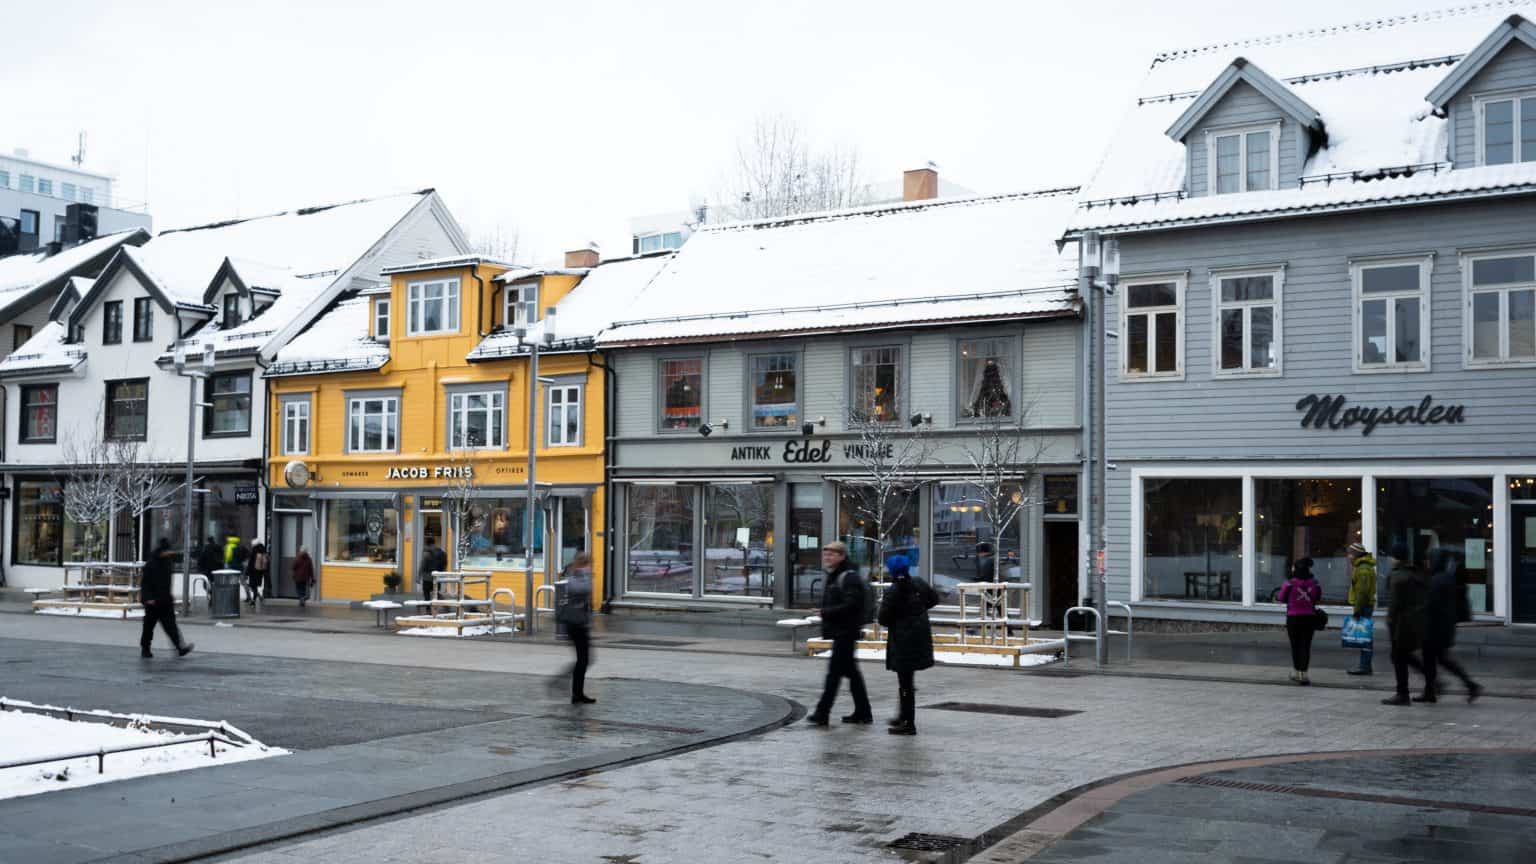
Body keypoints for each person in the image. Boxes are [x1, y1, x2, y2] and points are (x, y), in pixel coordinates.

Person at [808, 541, 872, 726]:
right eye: (826, 554)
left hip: (846, 631)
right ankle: (863, 712)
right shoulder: (836, 575)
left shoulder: (848, 577)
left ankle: (822, 712)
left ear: (842, 556)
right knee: (851, 673)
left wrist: (826, 612)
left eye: (832, 554)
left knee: (834, 674)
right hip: (842, 632)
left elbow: (852, 604)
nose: (827, 558)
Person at [877, 555, 938, 736]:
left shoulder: (894, 590)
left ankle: (908, 723)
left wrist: (900, 619)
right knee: (907, 680)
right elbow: (934, 599)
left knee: (905, 682)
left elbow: (883, 619)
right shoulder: (918, 583)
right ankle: (902, 716)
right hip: (919, 638)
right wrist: (918, 612)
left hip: (903, 641)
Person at [1419, 548, 1483, 704]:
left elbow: (1431, 606)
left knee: (1435, 659)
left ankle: (1468, 685)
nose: (1427, 563)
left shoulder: (1437, 580)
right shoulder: (1446, 578)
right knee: (1438, 659)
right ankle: (1433, 690)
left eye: (1429, 560)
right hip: (1444, 627)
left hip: (1436, 628)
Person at [1382, 544, 1429, 706]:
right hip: (1415, 622)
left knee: (1399, 658)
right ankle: (1431, 681)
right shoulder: (1416, 573)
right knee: (1405, 656)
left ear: (1395, 558)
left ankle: (1402, 693)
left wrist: (1390, 621)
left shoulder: (1397, 576)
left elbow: (1393, 604)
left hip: (1400, 624)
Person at [140, 538, 193, 659]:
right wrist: (148, 598)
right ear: (162, 551)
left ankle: (180, 648)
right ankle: (145, 649)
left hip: (165, 600)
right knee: (148, 627)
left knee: (171, 626)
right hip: (152, 602)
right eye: (167, 551)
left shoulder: (167, 562)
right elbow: (145, 583)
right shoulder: (151, 564)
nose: (170, 553)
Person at [557, 552, 597, 705]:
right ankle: (565, 685)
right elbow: (581, 589)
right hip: (574, 625)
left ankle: (577, 693)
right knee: (584, 659)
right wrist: (586, 573)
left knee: (584, 659)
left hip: (579, 624)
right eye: (589, 564)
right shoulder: (575, 576)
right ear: (584, 564)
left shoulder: (580, 575)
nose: (591, 567)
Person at [1275, 557, 1322, 685]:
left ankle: (1296, 673)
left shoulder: (1289, 583)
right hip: (1309, 618)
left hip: (1293, 618)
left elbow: (1281, 598)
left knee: (1295, 646)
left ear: (1296, 568)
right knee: (1306, 646)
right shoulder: (1315, 583)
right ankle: (1304, 674)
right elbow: (1317, 598)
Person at [1345, 543, 1377, 676]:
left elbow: (1362, 593)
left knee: (1364, 638)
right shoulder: (1364, 567)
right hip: (1365, 606)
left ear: (1356, 554)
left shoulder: (1363, 569)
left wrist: (1357, 610)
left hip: (1363, 607)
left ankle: (1364, 666)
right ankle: (1365, 665)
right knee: (1365, 637)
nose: (1348, 557)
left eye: (1350, 553)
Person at [419, 534, 448, 603]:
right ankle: (444, 603)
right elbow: (444, 564)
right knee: (435, 592)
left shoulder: (427, 552)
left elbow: (423, 565)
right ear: (434, 542)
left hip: (427, 577)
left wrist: (419, 576)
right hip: (437, 576)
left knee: (426, 592)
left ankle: (428, 609)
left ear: (427, 543)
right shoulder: (440, 551)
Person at [245, 541, 270, 606]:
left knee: (253, 586)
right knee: (255, 586)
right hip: (260, 572)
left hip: (253, 571)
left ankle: (254, 599)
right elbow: (267, 562)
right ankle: (256, 598)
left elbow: (250, 563)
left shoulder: (254, 551)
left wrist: (247, 572)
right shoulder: (264, 550)